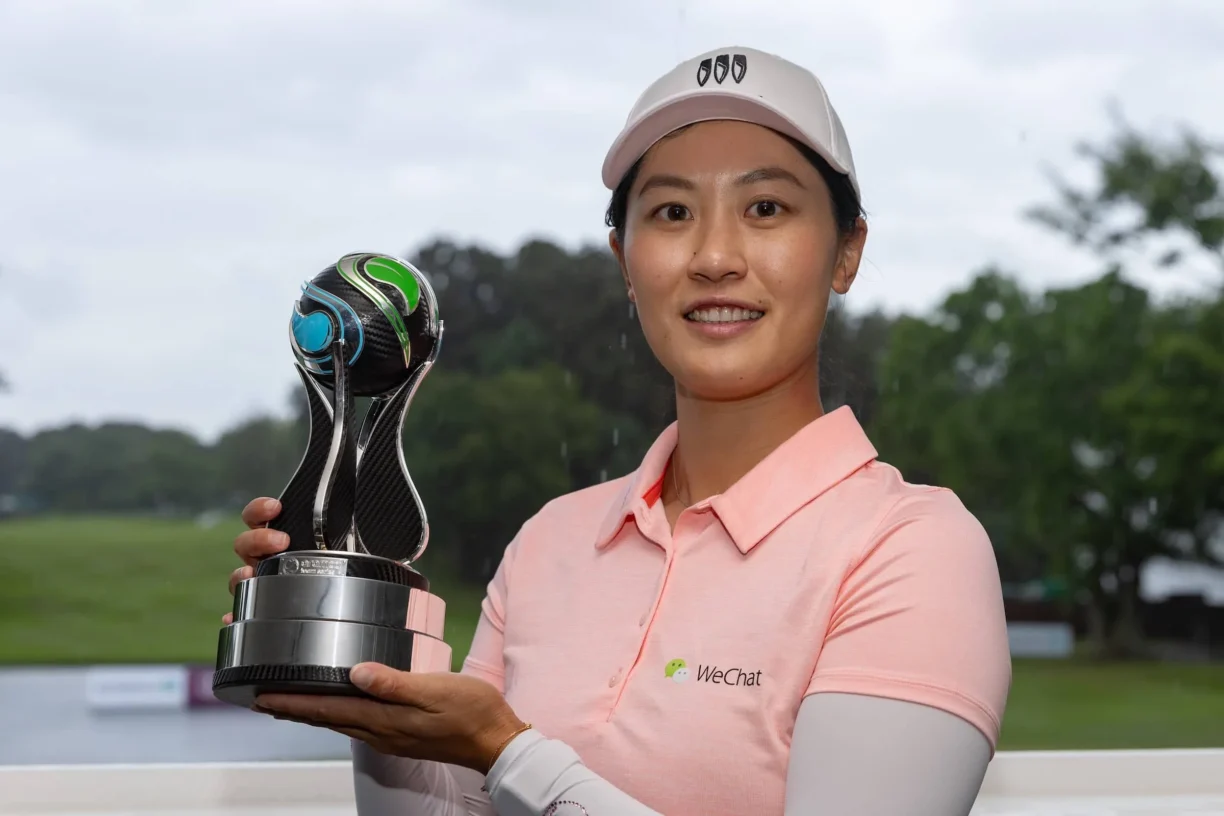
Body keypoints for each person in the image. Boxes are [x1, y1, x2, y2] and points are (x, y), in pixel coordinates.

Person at [231, 45, 1012, 815]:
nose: (713, 256)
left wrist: (511, 754)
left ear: (847, 251)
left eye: (765, 207)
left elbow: (503, 764)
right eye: (672, 212)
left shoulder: (914, 549)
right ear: (624, 261)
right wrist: (361, 662)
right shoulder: (552, 539)